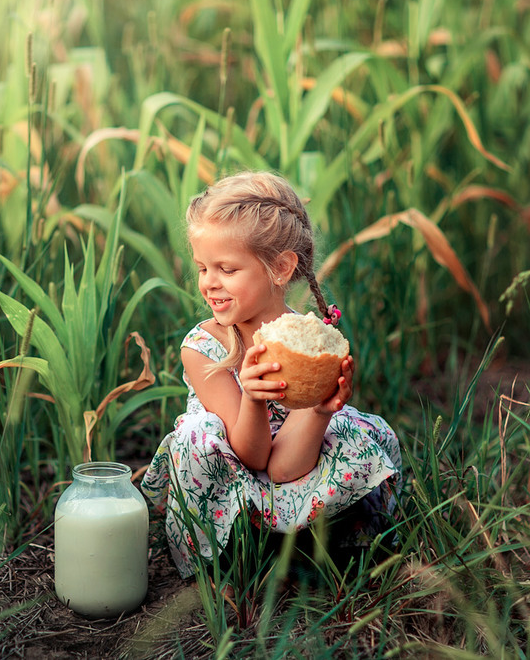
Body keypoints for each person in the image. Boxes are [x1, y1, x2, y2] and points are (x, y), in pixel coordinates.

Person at [140, 171, 401, 579]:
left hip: (290, 474)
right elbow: (252, 457)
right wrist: (253, 397)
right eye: (202, 267)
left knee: (351, 429)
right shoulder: (203, 348)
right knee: (197, 435)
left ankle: (316, 549)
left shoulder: (308, 346)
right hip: (231, 481)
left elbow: (281, 469)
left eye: (226, 269)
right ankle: (229, 560)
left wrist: (320, 410)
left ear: (280, 268)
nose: (209, 283)